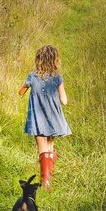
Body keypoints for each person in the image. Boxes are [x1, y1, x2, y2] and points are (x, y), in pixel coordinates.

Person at [18, 44, 70, 188]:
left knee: (42, 147)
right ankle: (49, 173)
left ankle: (45, 182)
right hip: (53, 118)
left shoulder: (32, 76)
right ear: (55, 60)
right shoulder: (58, 78)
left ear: (38, 59)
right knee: (49, 145)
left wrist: (29, 89)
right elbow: (64, 101)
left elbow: (20, 92)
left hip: (37, 119)